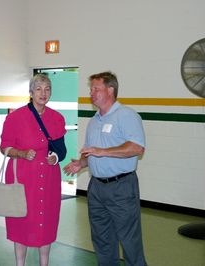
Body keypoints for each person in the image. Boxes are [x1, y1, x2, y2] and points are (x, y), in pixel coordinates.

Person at [63, 72, 147, 266]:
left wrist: (103, 151)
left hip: (121, 187)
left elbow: (137, 147)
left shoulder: (126, 115)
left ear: (110, 90)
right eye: (90, 89)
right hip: (97, 189)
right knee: (102, 240)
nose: (91, 93)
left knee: (130, 242)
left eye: (96, 89)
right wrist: (82, 163)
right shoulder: (94, 121)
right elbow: (92, 153)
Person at [0, 74, 66, 266]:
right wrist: (20, 153)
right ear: (31, 92)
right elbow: (4, 148)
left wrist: (55, 157)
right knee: (22, 221)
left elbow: (60, 149)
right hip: (23, 179)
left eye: (47, 89)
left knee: (46, 222)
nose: (43, 93)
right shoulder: (14, 118)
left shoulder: (57, 118)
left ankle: (44, 263)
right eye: (38, 89)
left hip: (49, 180)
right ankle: (20, 264)